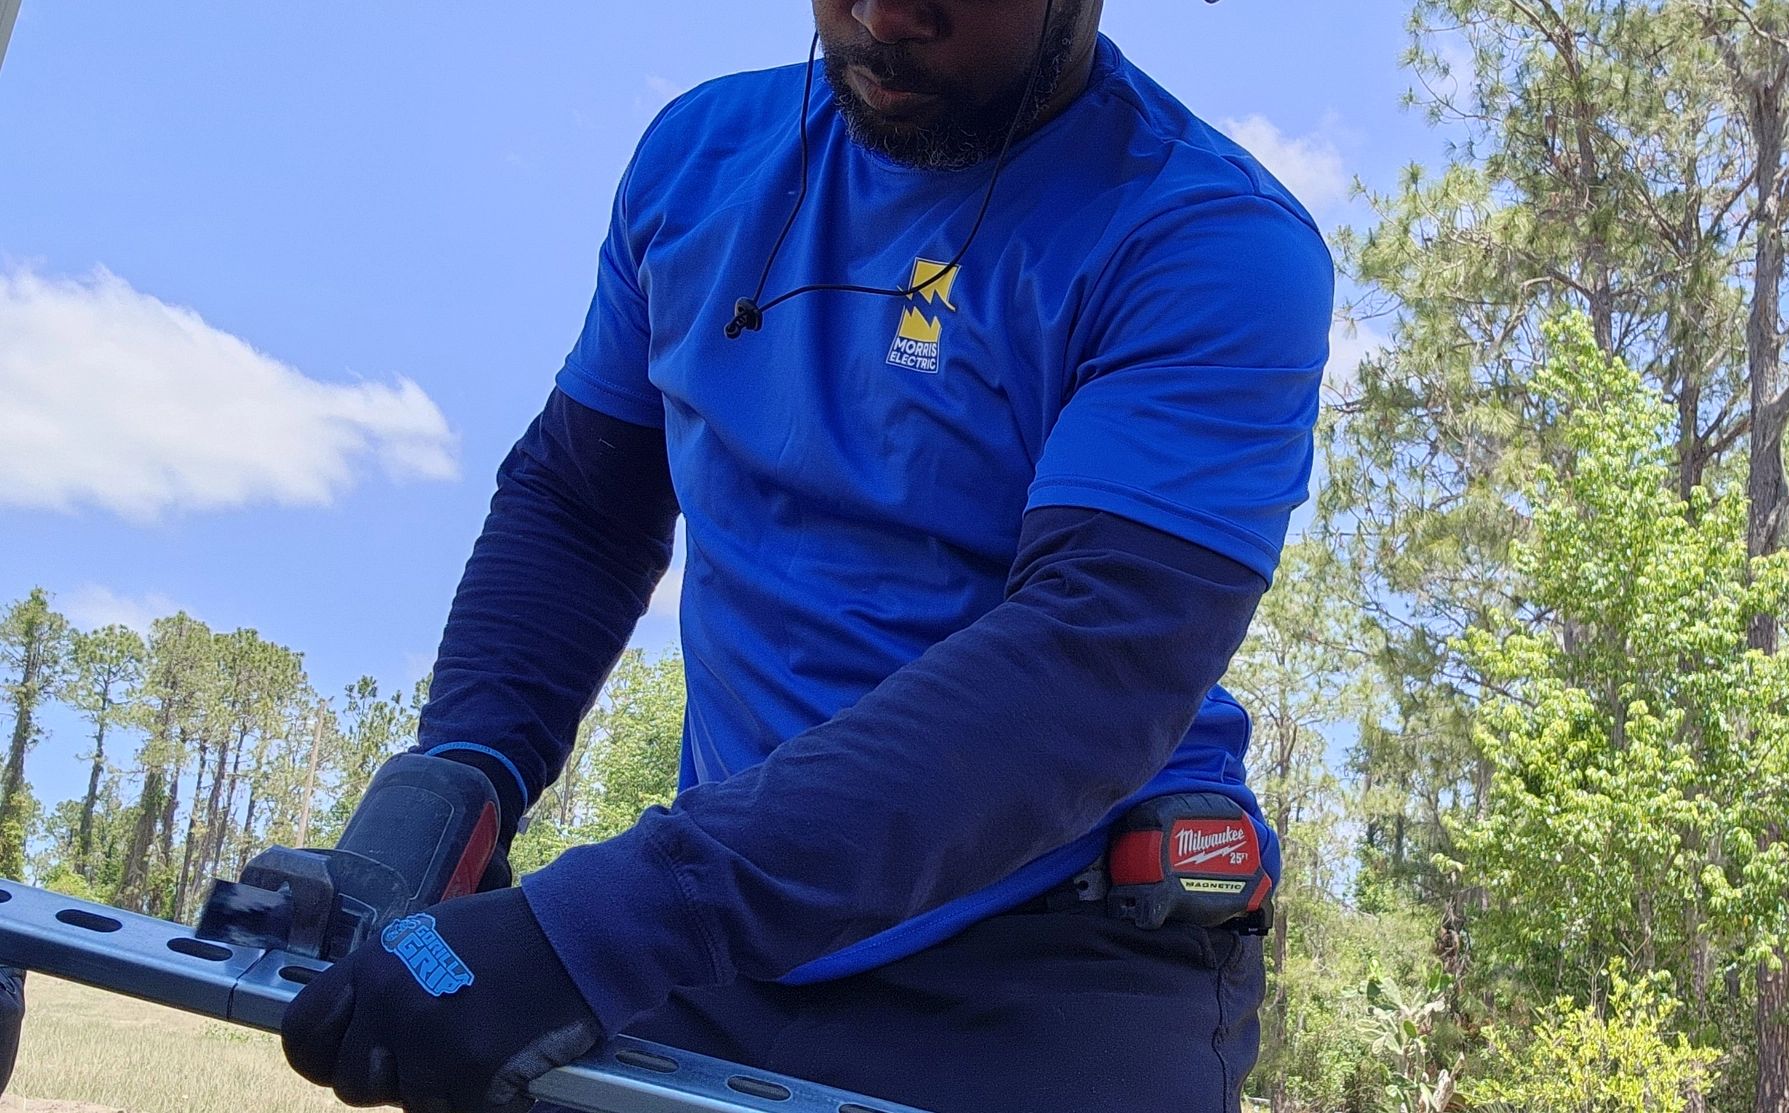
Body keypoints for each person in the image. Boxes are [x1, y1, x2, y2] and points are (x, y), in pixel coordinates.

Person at [275, 2, 1333, 1112]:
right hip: (724, 933)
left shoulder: (1208, 242)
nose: (883, 14)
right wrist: (466, 767)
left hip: (1051, 954)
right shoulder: (699, 161)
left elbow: (1091, 665)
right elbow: (583, 506)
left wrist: (606, 926)